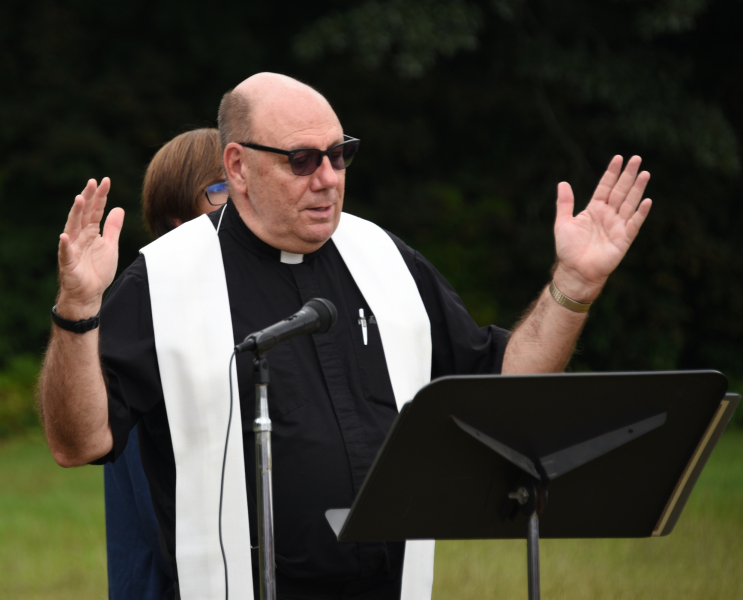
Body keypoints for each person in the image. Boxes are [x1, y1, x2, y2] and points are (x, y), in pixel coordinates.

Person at [39, 73, 652, 600]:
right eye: (301, 159)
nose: (327, 177)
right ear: (238, 166)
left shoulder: (384, 257)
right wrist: (76, 311)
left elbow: (508, 386)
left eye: (339, 154)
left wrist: (573, 285)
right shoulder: (166, 278)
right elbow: (78, 441)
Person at [103, 127, 227, 600]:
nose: (241, 202)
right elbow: (158, 517)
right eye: (221, 190)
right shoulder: (155, 308)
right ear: (179, 220)